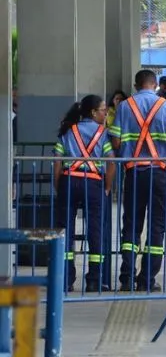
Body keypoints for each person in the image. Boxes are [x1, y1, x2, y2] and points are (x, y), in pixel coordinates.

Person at [109, 69, 166, 292]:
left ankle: (126, 278)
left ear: (136, 85)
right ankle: (146, 280)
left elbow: (114, 142)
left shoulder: (124, 107)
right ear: (155, 85)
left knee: (131, 225)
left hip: (133, 173)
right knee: (157, 226)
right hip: (159, 174)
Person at [52, 95, 116, 293]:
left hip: (69, 180)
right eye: (103, 110)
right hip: (94, 183)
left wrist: (58, 185)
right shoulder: (103, 133)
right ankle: (94, 281)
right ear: (93, 112)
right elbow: (111, 162)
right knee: (95, 231)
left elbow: (57, 161)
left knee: (65, 231)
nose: (106, 113)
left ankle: (65, 280)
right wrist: (107, 187)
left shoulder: (68, 130)